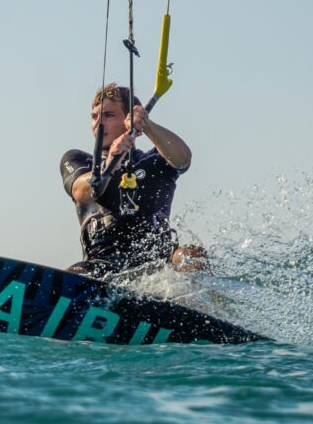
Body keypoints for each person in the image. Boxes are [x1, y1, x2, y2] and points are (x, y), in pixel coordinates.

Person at [59, 83, 206, 278]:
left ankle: (188, 304)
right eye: (94, 117)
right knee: (72, 274)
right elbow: (81, 190)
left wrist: (148, 125)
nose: (98, 123)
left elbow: (183, 159)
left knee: (191, 255)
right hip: (102, 267)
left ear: (128, 120)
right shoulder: (79, 160)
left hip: (159, 267)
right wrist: (112, 160)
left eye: (108, 115)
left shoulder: (154, 161)